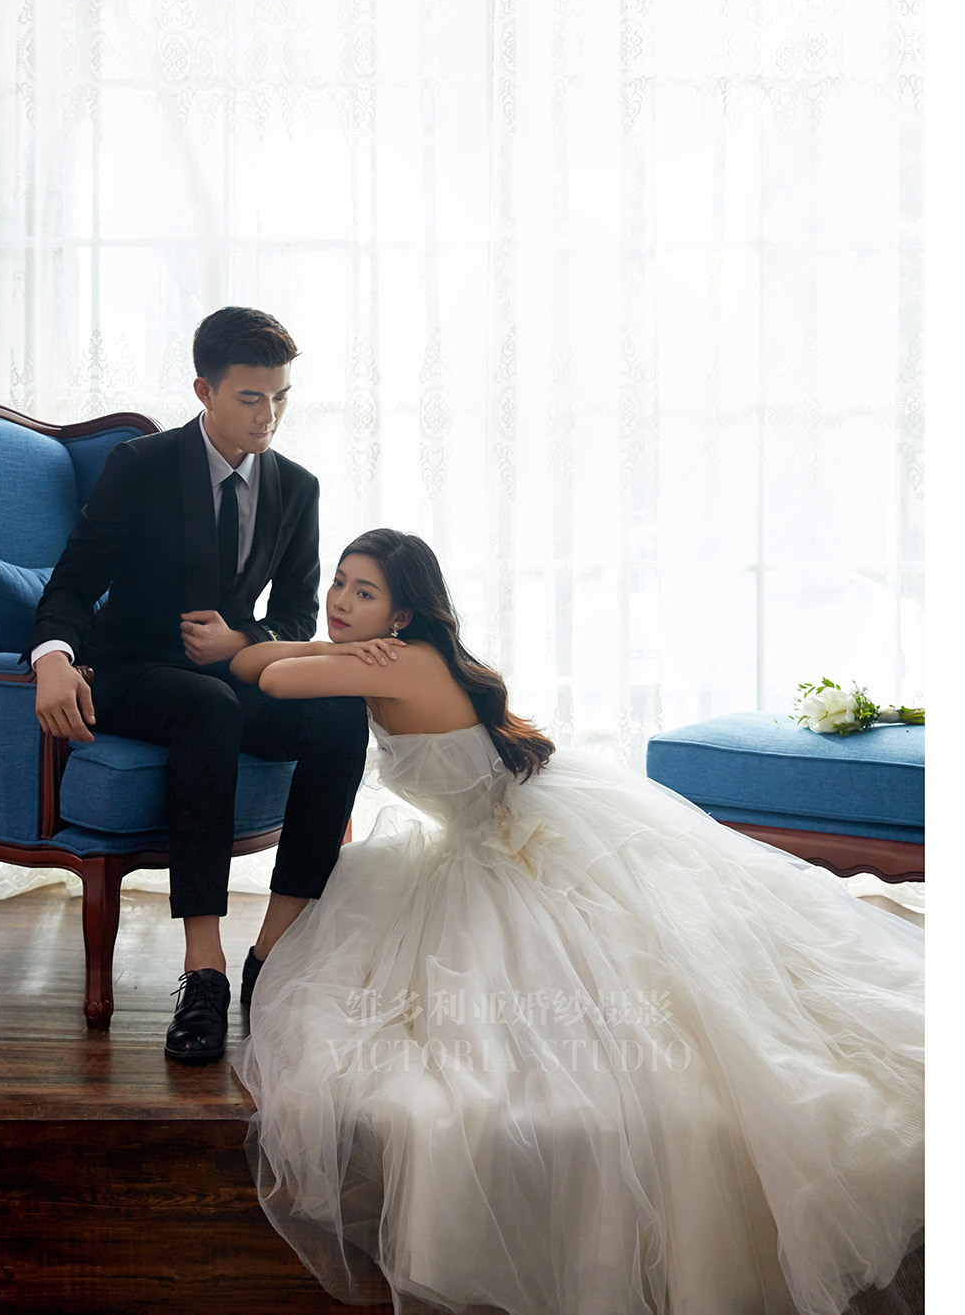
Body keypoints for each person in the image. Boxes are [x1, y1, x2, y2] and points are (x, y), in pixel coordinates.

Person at [229, 529, 923, 1315]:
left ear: (404, 613)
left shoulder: (400, 660)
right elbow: (267, 668)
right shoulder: (390, 654)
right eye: (339, 583)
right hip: (496, 831)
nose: (340, 601)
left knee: (614, 999)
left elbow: (272, 677)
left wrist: (293, 647)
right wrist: (321, 646)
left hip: (513, 845)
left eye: (365, 592)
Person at [28, 307, 369, 1063]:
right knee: (207, 705)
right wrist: (51, 657)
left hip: (227, 673)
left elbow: (294, 615)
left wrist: (243, 642)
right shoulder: (140, 466)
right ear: (204, 390)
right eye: (251, 397)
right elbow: (73, 584)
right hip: (130, 671)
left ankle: (272, 952)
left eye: (281, 397)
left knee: (341, 711)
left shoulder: (297, 488)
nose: (269, 415)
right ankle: (204, 968)